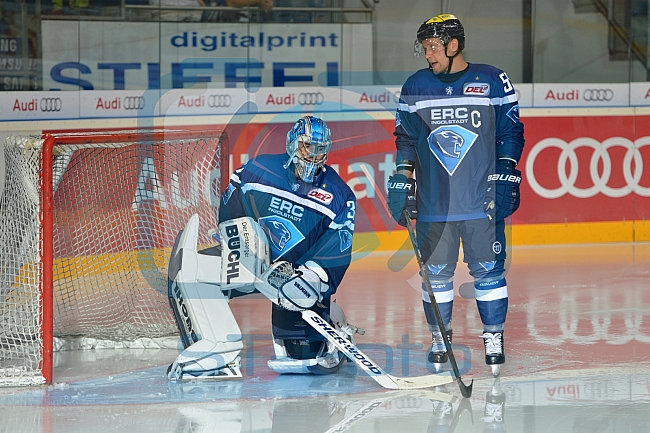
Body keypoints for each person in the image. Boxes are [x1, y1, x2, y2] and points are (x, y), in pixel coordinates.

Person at [167, 115, 358, 379]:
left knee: (300, 359)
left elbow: (338, 244)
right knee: (190, 271)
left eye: (320, 150)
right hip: (251, 261)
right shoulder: (260, 169)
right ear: (293, 144)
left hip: (292, 279)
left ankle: (335, 323)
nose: (313, 156)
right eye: (307, 147)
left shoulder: (339, 194)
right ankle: (218, 350)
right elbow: (233, 196)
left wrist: (312, 278)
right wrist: (235, 236)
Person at [387, 14, 525, 377]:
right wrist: (404, 177)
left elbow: (510, 131)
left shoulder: (493, 79)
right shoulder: (415, 86)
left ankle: (493, 337)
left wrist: (507, 170)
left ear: (453, 45)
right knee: (434, 277)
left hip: (481, 201)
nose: (427, 54)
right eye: (424, 47)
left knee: (489, 274)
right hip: (435, 206)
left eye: (433, 46)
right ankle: (439, 338)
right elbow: (406, 139)